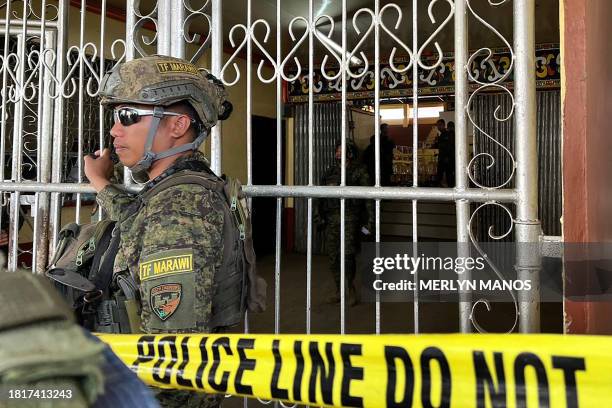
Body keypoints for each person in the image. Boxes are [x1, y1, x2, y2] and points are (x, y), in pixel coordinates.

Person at [84, 55, 234, 408]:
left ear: (178, 125)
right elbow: (139, 222)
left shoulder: (181, 208)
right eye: (116, 116)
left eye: (129, 116)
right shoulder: (175, 192)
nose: (114, 130)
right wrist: (100, 182)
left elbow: (170, 352)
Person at [316, 141, 373, 306]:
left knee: (347, 256)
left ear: (350, 153)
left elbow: (369, 197)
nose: (338, 153)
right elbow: (319, 197)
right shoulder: (329, 173)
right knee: (333, 257)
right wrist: (317, 216)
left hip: (350, 218)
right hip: (332, 219)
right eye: (337, 150)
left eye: (342, 150)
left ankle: (349, 290)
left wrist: (370, 222)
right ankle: (339, 290)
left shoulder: (359, 171)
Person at [436, 120, 455, 187]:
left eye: (440, 125)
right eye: (437, 125)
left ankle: (450, 190)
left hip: (447, 159)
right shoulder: (441, 135)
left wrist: (448, 157)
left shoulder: (447, 134)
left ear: (444, 125)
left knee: (448, 176)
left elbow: (449, 147)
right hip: (442, 158)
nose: (438, 127)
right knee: (440, 175)